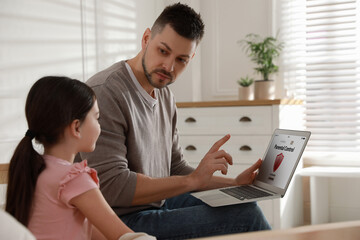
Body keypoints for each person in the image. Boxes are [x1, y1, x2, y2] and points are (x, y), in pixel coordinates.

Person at [79, 3, 271, 239]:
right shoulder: (106, 92)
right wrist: (192, 180)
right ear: (146, 38)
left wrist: (234, 184)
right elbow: (112, 187)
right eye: (163, 51)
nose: (169, 67)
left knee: (242, 205)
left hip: (157, 204)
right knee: (246, 217)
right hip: (122, 219)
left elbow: (175, 167)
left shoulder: (165, 95)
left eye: (181, 59)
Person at [5, 76, 155, 240]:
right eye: (97, 118)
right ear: (76, 127)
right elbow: (124, 235)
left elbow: (89, 230)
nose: (99, 125)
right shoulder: (73, 178)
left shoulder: (35, 169)